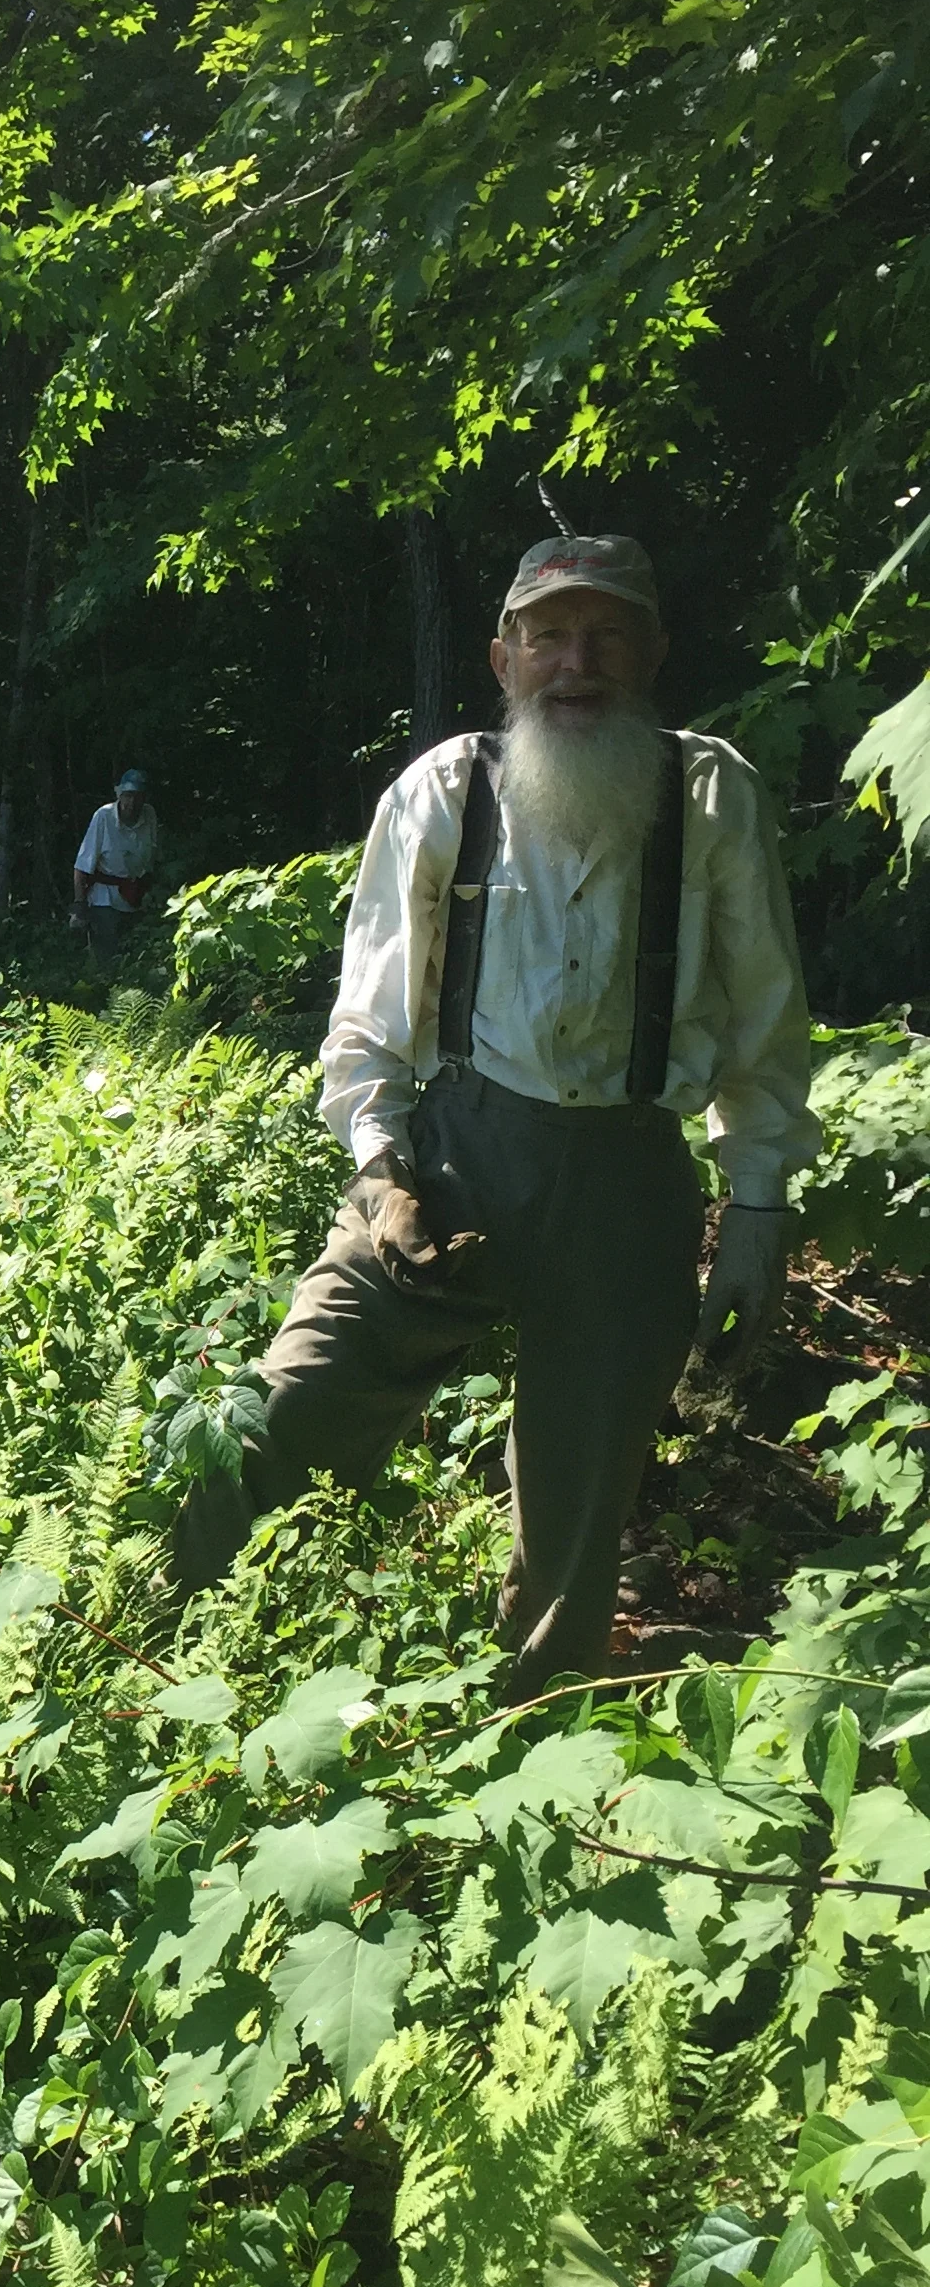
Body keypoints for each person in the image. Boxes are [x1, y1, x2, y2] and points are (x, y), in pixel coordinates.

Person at [176, 531, 817, 1694]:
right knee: (292, 1408)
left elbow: (767, 1023)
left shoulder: (712, 792)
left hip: (631, 1177)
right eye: (550, 636)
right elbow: (368, 1019)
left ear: (653, 651)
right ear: (503, 657)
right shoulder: (443, 790)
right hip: (453, 1155)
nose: (580, 661)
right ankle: (157, 1651)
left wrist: (757, 1210)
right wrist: (379, 1176)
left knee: (582, 1509)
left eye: (609, 632)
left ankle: (534, 1732)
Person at [72, 776, 160, 954]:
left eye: (137, 796)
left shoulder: (149, 814)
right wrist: (79, 906)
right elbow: (82, 865)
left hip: (138, 898)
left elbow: (152, 856)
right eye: (127, 795)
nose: (132, 802)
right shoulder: (103, 816)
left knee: (135, 956)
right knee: (107, 957)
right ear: (119, 795)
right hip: (105, 900)